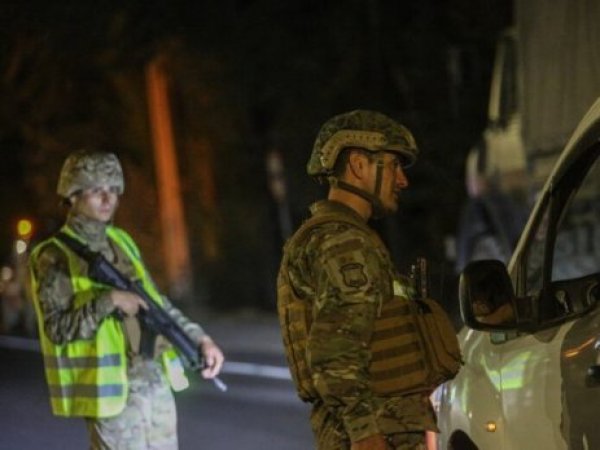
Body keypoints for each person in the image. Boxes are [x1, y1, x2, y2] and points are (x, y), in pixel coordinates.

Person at [29, 150, 224, 450]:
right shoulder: (54, 255)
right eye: (96, 190)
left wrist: (200, 339)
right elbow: (57, 329)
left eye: (113, 189)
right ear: (72, 195)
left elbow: (156, 304)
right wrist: (109, 300)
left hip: (154, 380)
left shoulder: (122, 241)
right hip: (113, 395)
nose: (107, 198)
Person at [277, 110, 439, 450]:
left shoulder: (343, 237)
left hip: (385, 428)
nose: (402, 180)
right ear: (358, 165)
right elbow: (335, 350)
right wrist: (365, 432)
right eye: (393, 165)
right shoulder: (344, 243)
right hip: (379, 432)